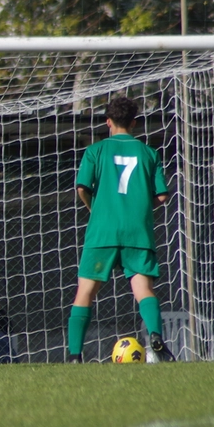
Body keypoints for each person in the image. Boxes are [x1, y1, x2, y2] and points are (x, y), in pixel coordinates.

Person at [66, 96, 176, 363]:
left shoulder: (96, 150)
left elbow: (81, 188)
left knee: (85, 291)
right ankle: (155, 336)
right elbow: (162, 196)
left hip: (102, 231)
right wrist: (137, 208)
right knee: (143, 290)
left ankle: (74, 355)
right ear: (134, 123)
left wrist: (96, 210)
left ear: (108, 122)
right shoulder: (149, 153)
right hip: (137, 232)